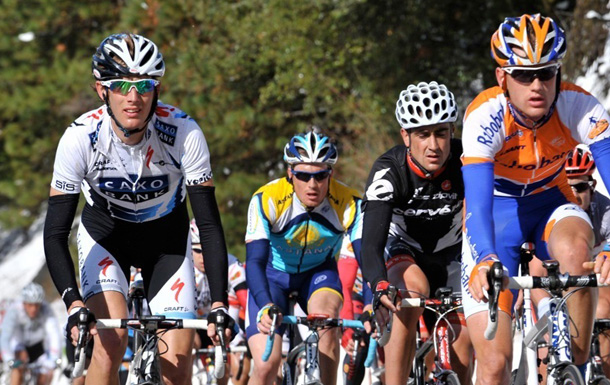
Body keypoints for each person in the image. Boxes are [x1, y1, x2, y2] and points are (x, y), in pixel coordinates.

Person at [42, 33, 231, 385]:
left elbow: (208, 225)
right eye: (120, 86)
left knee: (178, 363)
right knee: (109, 345)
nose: (134, 97)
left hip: (167, 242)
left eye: (144, 85)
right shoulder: (80, 138)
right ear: (102, 90)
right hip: (106, 237)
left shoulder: (184, 132)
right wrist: (73, 303)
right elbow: (55, 233)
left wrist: (219, 302)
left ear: (157, 88)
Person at [461, 14, 610, 384]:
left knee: (578, 250)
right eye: (523, 75)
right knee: (494, 364)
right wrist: (485, 257)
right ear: (502, 78)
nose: (537, 85)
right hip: (496, 214)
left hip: (549, 200)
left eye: (546, 73)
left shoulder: (579, 105)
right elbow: (476, 205)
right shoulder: (485, 116)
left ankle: (570, 366)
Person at [360, 81, 472, 384]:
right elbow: (370, 244)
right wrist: (379, 283)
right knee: (411, 292)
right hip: (404, 253)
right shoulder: (389, 170)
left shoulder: (467, 159)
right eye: (423, 134)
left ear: (452, 132)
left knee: (462, 352)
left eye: (441, 133)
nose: (433, 145)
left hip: (451, 257)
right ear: (406, 136)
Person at [245, 130, 362, 385]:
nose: (313, 184)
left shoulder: (349, 202)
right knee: (266, 366)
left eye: (320, 175)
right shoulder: (268, 199)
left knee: (327, 323)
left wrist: (376, 296)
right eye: (303, 175)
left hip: (317, 274)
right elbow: (254, 261)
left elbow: (367, 255)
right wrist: (265, 304)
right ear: (290, 173)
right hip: (271, 277)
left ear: (330, 173)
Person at [565, 145, 610, 377]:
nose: (574, 194)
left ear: (591, 184)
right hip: (562, 279)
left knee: (604, 310)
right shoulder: (551, 208)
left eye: (580, 187)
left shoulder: (603, 209)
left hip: (596, 275)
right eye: (567, 186)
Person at [189, 219, 250, 385]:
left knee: (240, 367)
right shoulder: (185, 267)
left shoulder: (230, 263)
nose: (204, 257)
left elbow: (246, 301)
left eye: (208, 250)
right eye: (197, 250)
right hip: (195, 325)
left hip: (221, 323)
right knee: (189, 342)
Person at [0, 283, 62, 385]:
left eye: (37, 305)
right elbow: (5, 337)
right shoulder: (14, 310)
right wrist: (9, 359)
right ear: (24, 303)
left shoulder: (46, 309)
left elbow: (54, 334)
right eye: (30, 305)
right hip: (19, 345)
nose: (33, 309)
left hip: (38, 346)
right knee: (18, 366)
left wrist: (55, 357)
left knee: (46, 375)